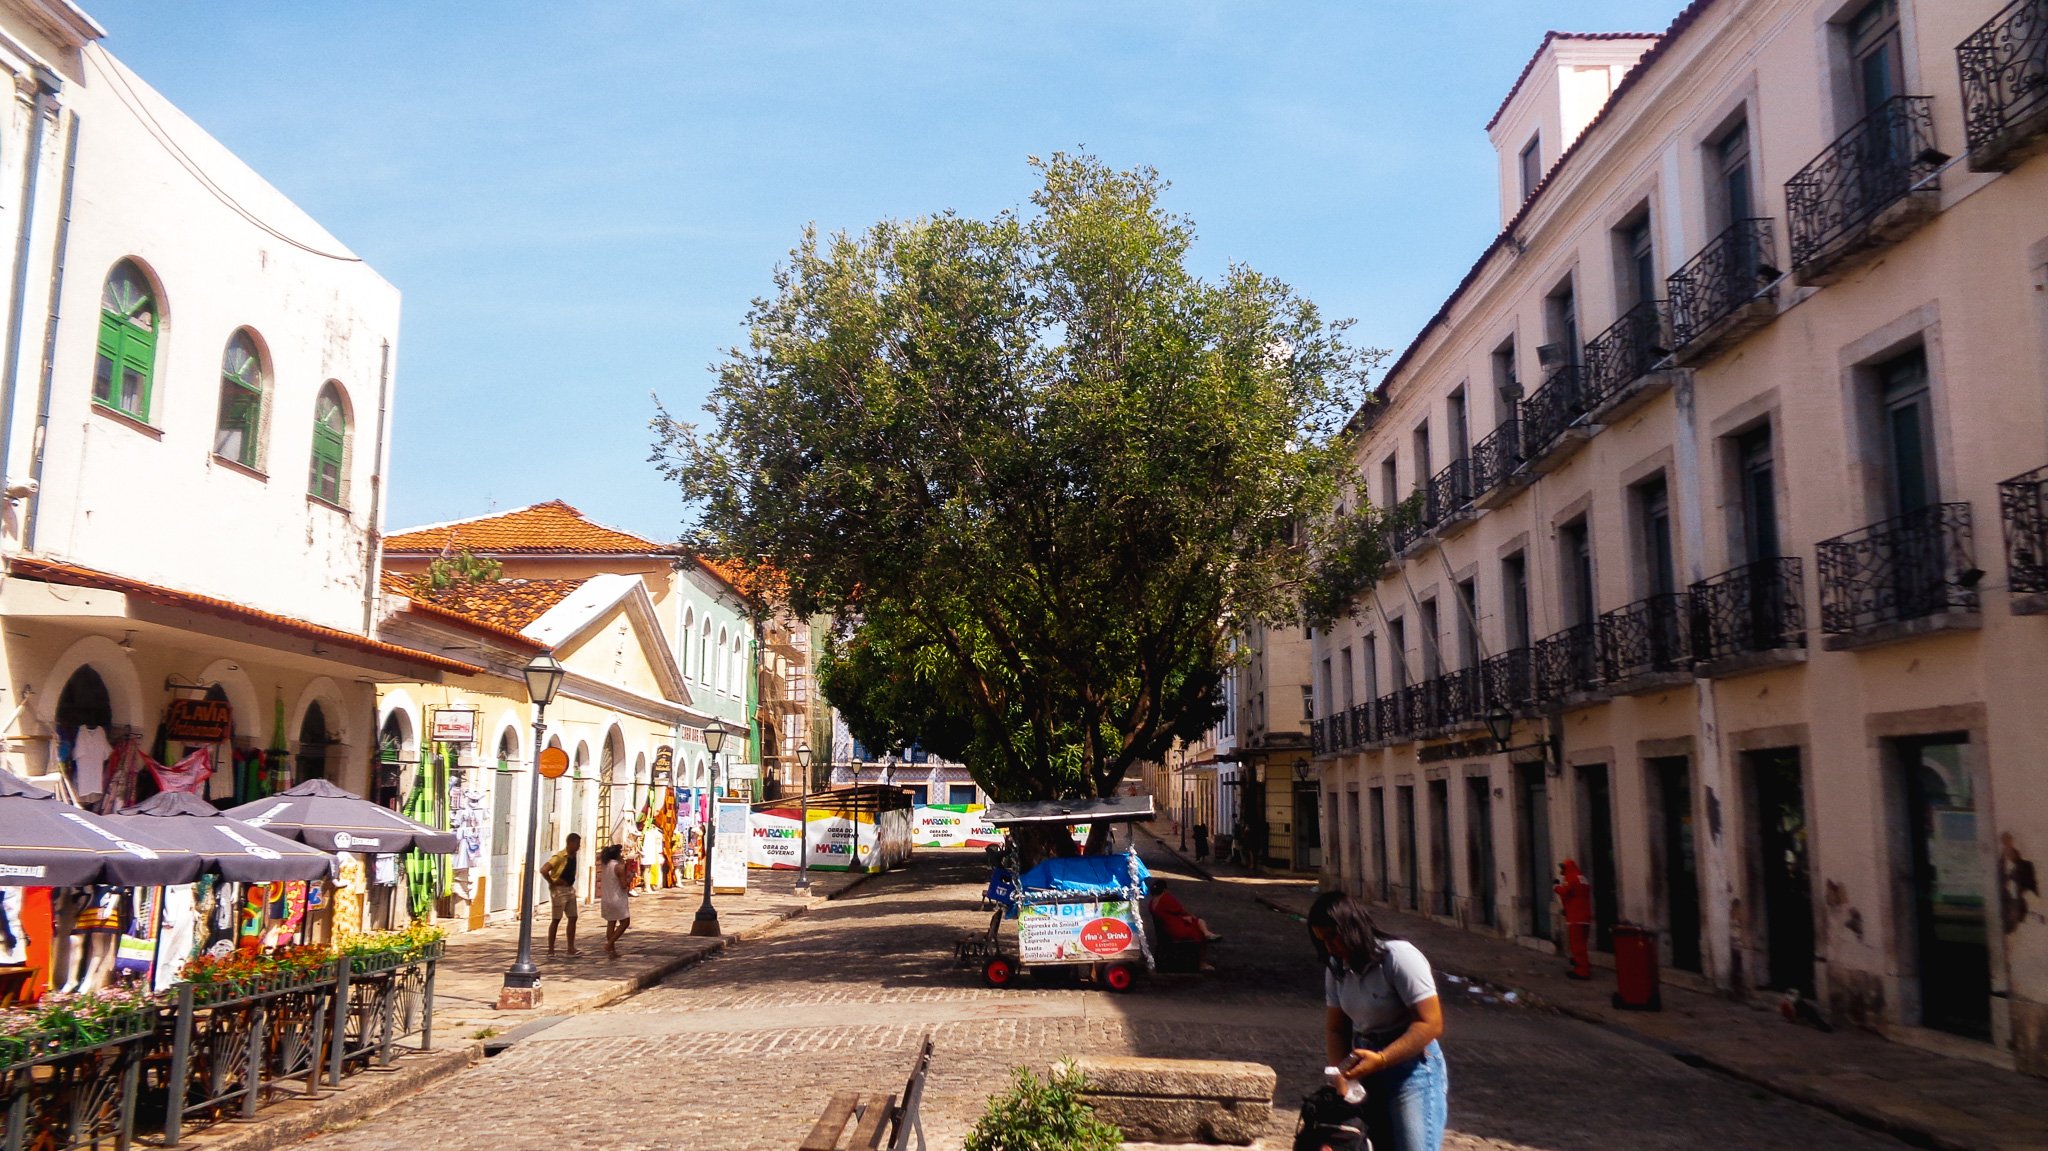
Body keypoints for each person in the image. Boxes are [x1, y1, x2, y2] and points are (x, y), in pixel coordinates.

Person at [1311, 893, 1447, 1151]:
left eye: (1332, 937)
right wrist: (1342, 1075)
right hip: (1365, 1066)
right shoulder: (1337, 968)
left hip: (1412, 1069)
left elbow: (1431, 1023)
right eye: (1322, 941)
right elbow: (1336, 1028)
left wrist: (1383, 1059)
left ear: (1351, 928)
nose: (1329, 947)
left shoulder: (1398, 957)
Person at [1148, 877, 1222, 972]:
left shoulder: (1151, 904)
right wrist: (1191, 917)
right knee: (1198, 927)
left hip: (1166, 929)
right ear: (1164, 890)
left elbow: (1168, 915)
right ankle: (1201, 962)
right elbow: (1181, 910)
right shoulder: (1166, 899)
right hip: (1175, 930)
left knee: (1197, 923)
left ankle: (1207, 933)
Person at [1554, 859, 1593, 980]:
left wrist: (1556, 886)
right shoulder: (1583, 879)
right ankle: (1581, 963)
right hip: (1585, 915)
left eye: (1563, 868)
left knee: (1577, 945)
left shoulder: (1571, 878)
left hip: (1575, 916)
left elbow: (1564, 892)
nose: (1562, 871)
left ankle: (1582, 971)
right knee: (1582, 943)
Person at [544, 832, 581, 958]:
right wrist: (552, 882)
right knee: (556, 919)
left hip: (569, 889)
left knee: (573, 917)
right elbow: (544, 870)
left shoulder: (573, 856)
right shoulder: (559, 856)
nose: (579, 846)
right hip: (559, 891)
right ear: (570, 843)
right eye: (577, 843)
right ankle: (551, 949)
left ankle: (571, 948)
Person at [598, 843, 632, 958]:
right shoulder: (619, 866)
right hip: (617, 898)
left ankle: (612, 951)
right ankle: (609, 944)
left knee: (611, 923)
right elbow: (623, 885)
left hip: (606, 897)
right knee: (625, 922)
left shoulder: (605, 864)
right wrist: (630, 878)